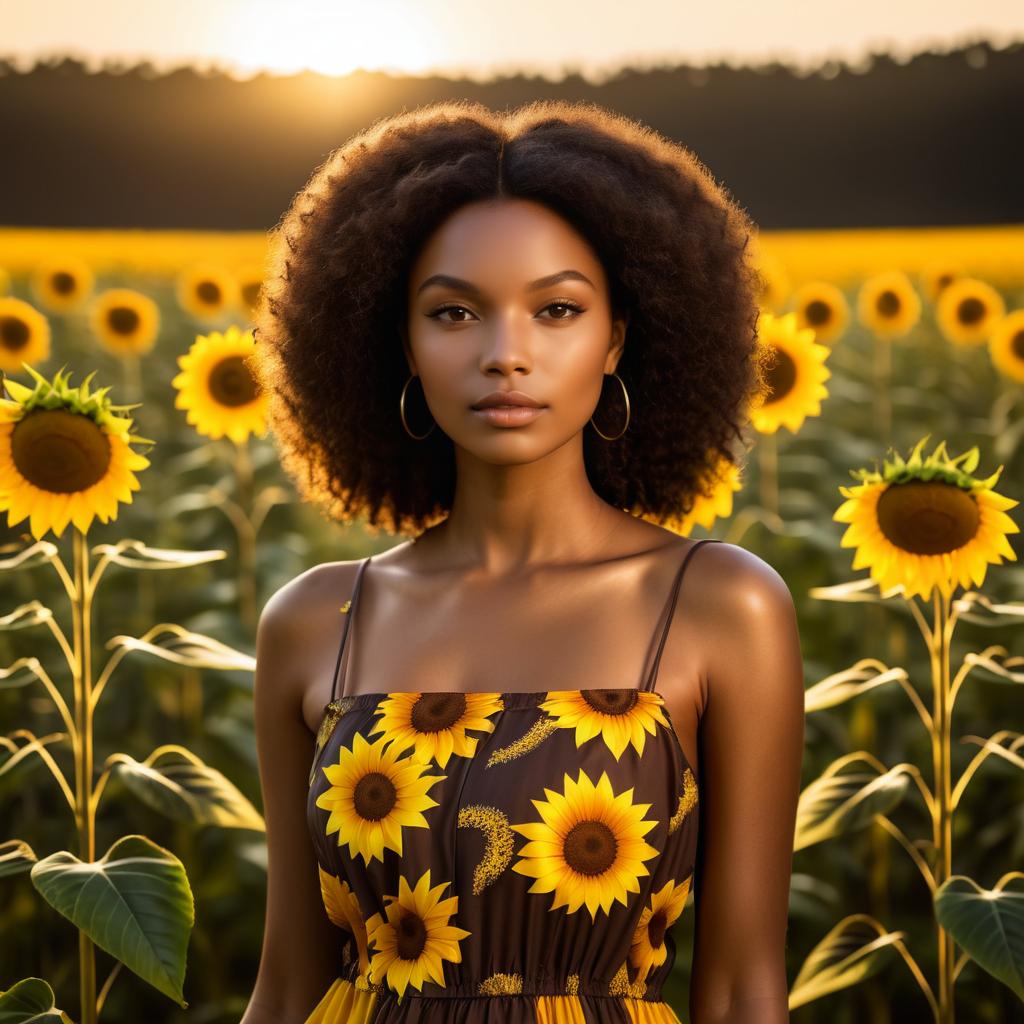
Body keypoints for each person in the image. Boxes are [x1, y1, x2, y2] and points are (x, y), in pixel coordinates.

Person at [240, 99, 804, 1024]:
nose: (507, 355)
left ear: (618, 336)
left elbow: (745, 990)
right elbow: (289, 986)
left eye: (557, 310)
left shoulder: (719, 606)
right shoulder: (313, 624)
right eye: (455, 312)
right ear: (403, 347)